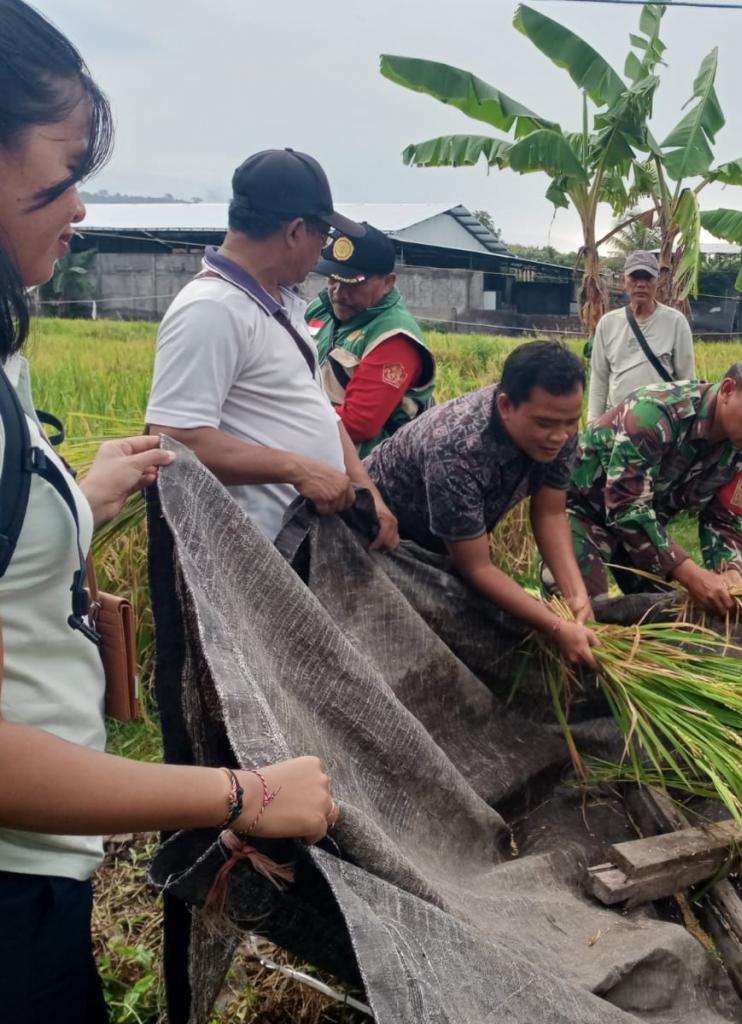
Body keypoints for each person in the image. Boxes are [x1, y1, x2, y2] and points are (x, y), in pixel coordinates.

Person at [0, 5, 335, 1020]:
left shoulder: (277, 309)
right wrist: (242, 795)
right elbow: (182, 433)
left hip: (41, 862)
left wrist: (76, 495)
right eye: (65, 170)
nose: (81, 207)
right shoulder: (208, 309)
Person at [144, 149, 399, 550]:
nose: (321, 252)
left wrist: (369, 493)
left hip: (305, 544)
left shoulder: (278, 303)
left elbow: (323, 413)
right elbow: (173, 439)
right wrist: (296, 469)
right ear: (296, 231)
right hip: (256, 552)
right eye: (322, 237)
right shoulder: (212, 308)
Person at [363, 341, 600, 668]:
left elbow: (550, 512)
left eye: (571, 422)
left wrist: (576, 595)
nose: (560, 436)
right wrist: (555, 626)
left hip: (448, 542)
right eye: (545, 425)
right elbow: (477, 567)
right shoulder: (456, 448)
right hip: (381, 535)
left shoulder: (559, 425)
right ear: (505, 406)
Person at [566, 346, 742, 615]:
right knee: (583, 616)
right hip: (584, 513)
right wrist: (690, 574)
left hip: (648, 531)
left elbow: (723, 517)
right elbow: (626, 506)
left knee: (677, 619)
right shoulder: (655, 413)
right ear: (727, 390)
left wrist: (730, 569)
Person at [306, 223, 436, 456]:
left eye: (352, 283)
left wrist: (286, 425)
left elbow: (357, 423)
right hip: (311, 448)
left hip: (357, 466)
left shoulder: (394, 338)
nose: (338, 292)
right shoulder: (320, 308)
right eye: (332, 279)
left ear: (387, 283)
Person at [587, 250, 695, 421]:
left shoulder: (675, 322)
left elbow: (687, 380)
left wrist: (687, 426)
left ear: (657, 281)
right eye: (635, 277)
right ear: (624, 281)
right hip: (617, 421)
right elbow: (599, 379)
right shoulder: (608, 323)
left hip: (661, 423)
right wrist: (593, 424)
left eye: (647, 278)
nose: (641, 284)